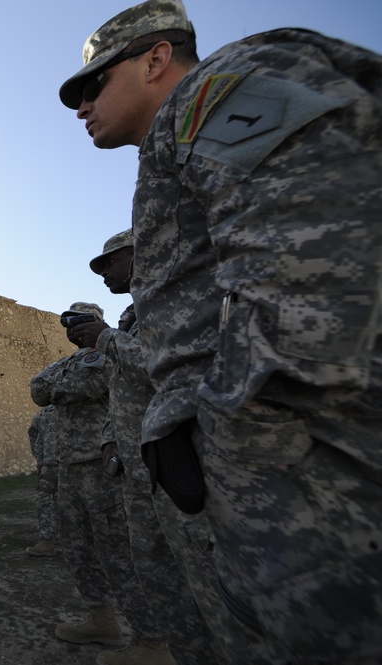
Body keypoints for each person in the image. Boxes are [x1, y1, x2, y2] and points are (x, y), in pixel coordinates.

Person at [59, 1, 382, 662]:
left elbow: (316, 269)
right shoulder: (178, 146)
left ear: (155, 59)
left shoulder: (220, 90)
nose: (81, 104)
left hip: (320, 502)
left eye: (93, 84)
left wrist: (233, 442)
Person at [75, 230, 227, 665]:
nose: (104, 273)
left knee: (204, 578)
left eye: (110, 263)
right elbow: (119, 390)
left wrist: (104, 339)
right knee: (157, 574)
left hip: (181, 468)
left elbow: (165, 366)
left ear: (142, 255)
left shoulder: (180, 298)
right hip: (140, 474)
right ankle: (167, 651)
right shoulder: (133, 316)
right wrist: (109, 439)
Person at [31, 303, 163, 663]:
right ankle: (102, 620)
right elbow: (38, 388)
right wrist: (59, 385)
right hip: (69, 466)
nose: (73, 328)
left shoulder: (112, 350)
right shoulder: (68, 361)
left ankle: (153, 640)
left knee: (117, 552)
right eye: (68, 322)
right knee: (77, 549)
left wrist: (59, 387)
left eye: (80, 320)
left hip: (101, 466)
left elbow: (87, 385)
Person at [26, 405, 57, 557]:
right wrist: (38, 457)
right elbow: (33, 432)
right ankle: (47, 541)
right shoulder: (45, 412)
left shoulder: (76, 406)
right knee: (44, 500)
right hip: (49, 465)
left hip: (72, 465)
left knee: (72, 503)